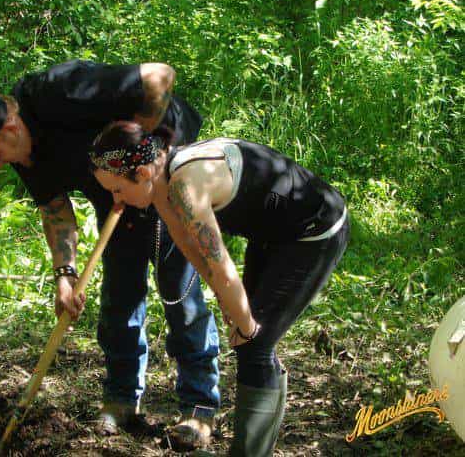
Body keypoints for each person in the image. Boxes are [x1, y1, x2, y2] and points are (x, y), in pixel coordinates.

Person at [0, 60, 220, 448]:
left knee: (177, 288)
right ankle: (122, 399)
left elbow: (159, 76)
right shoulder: (25, 152)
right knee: (119, 292)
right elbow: (55, 210)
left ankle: (198, 407)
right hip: (115, 196)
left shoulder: (59, 90)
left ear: (9, 128)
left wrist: (146, 150)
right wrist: (65, 273)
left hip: (164, 171)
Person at [90, 121, 350, 456]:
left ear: (140, 173)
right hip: (271, 234)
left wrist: (245, 321)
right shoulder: (162, 189)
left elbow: (221, 267)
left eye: (117, 189)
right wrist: (233, 308)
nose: (116, 201)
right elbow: (195, 254)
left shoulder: (186, 187)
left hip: (315, 231)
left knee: (254, 342)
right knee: (250, 338)